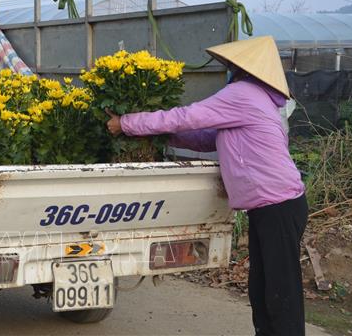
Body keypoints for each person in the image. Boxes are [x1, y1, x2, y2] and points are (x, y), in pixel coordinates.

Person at [106, 36, 308, 336]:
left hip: (277, 207)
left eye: (230, 66)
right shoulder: (259, 99)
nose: (227, 72)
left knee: (281, 293)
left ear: (242, 69)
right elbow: (207, 138)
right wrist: (164, 137)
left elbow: (187, 117)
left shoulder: (243, 94)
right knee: (262, 288)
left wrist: (127, 123)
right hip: (271, 207)